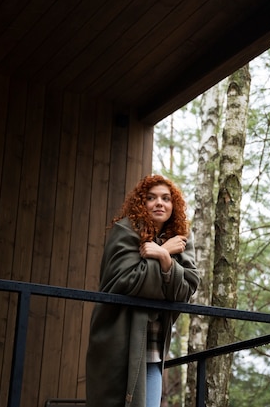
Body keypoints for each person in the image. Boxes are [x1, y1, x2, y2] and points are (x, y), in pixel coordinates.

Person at [86, 174, 200, 407]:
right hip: (119, 342)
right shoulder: (124, 231)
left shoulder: (180, 241)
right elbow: (128, 281)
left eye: (166, 198)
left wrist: (164, 255)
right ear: (141, 203)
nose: (159, 202)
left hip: (154, 350)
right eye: (152, 197)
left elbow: (185, 290)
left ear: (173, 205)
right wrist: (166, 257)